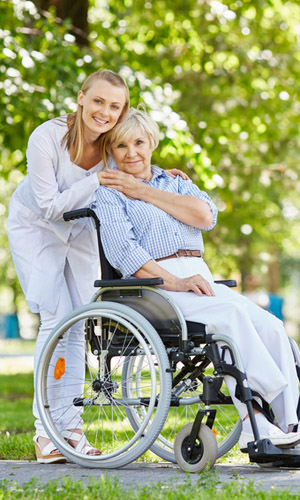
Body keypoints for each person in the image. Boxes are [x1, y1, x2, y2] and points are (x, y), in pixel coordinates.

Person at [7, 70, 187, 464]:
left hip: (81, 227)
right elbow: (51, 207)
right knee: (57, 319)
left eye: (115, 106)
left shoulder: (110, 144)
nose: (106, 112)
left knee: (80, 321)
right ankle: (46, 433)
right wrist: (99, 180)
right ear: (81, 98)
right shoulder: (47, 138)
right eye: (99, 102)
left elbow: (134, 163)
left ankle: (69, 430)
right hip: (37, 228)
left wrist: (162, 177)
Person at [94, 108, 300, 451]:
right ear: (110, 151)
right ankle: (256, 420)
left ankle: (290, 423)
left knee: (270, 325)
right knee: (230, 318)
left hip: (199, 278)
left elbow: (204, 216)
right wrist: (175, 282)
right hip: (155, 286)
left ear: (152, 143)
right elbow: (123, 253)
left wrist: (143, 191)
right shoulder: (110, 192)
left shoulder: (176, 182)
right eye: (120, 146)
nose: (131, 153)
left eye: (139, 142)